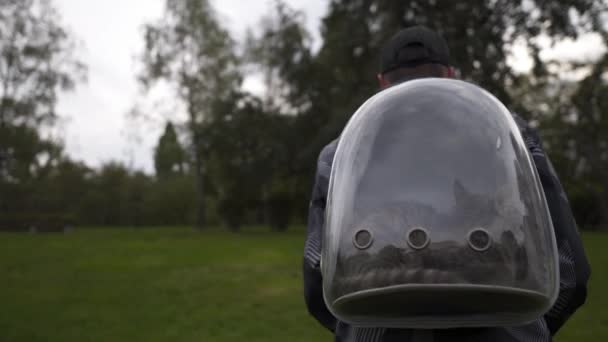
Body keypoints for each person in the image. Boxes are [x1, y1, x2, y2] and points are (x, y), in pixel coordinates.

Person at [303, 25, 591, 342]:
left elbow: (320, 274)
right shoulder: (507, 135)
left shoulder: (343, 150)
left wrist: (366, 321)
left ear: (382, 82)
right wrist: (520, 323)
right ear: (451, 75)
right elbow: (569, 270)